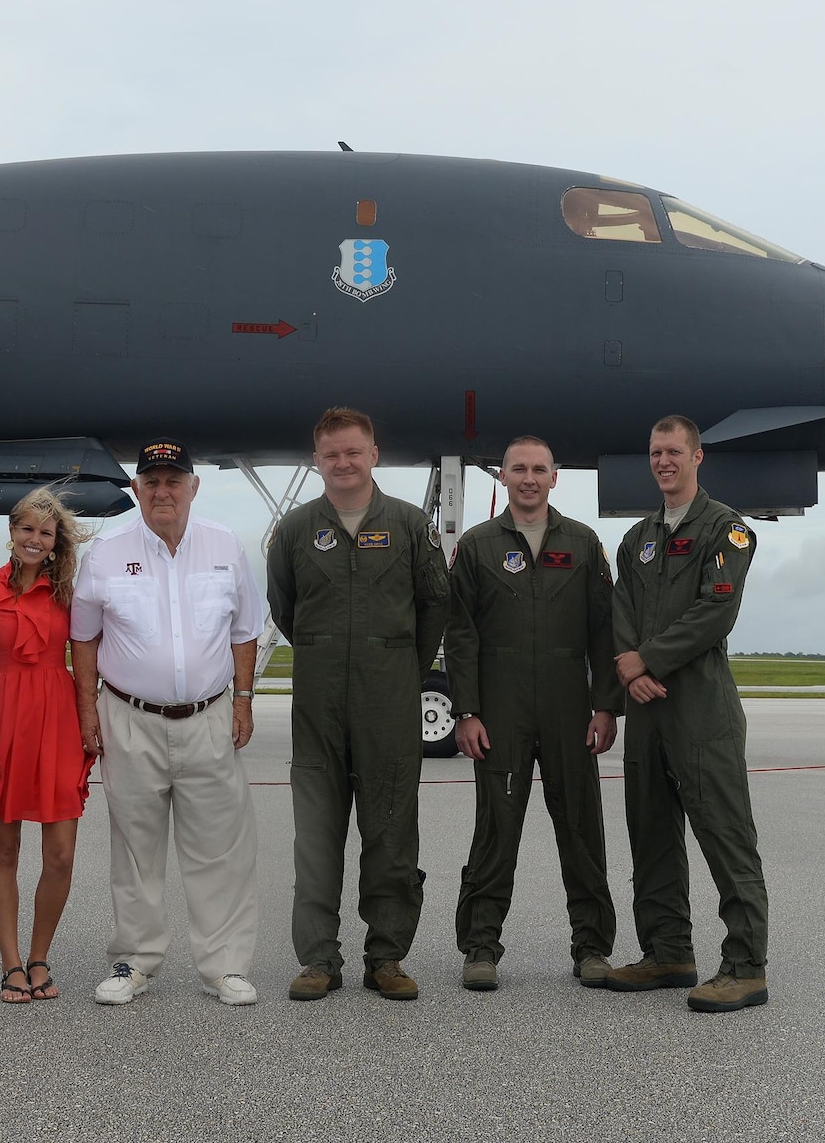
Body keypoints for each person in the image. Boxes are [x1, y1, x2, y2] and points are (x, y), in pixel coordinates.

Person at [70, 439, 265, 1007]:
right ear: (136, 489)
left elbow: (245, 629)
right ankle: (134, 961)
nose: (162, 491)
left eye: (173, 481)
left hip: (209, 717)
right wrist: (88, 710)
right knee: (135, 848)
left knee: (221, 850)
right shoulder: (105, 552)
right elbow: (84, 638)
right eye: (151, 481)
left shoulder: (225, 546)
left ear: (192, 488)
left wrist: (244, 700)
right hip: (129, 717)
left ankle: (225, 966)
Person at [266, 407, 449, 1001]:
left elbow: (434, 606)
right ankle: (319, 959)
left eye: (353, 452)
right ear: (316, 460)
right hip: (318, 708)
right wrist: (327, 655)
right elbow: (286, 609)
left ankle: (387, 956)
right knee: (316, 841)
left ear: (374, 454)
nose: (342, 463)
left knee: (391, 836)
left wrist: (396, 665)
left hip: (389, 705)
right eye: (330, 455)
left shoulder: (409, 523)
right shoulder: (295, 530)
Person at [445, 436, 623, 992]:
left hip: (571, 706)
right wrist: (466, 712)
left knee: (581, 827)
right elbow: (462, 635)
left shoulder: (585, 543)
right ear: (502, 477)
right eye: (518, 469)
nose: (528, 478)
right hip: (500, 706)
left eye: (538, 469)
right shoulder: (476, 546)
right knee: (496, 830)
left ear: (554, 478)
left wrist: (606, 705)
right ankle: (480, 947)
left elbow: (604, 630)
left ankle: (592, 947)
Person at [608, 415, 771, 1013]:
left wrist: (642, 661)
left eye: (674, 451)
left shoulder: (725, 530)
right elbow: (620, 607)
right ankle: (668, 951)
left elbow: (714, 614)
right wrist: (629, 668)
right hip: (646, 711)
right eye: (655, 452)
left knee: (725, 835)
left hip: (700, 707)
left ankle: (746, 964)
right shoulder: (637, 538)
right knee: (650, 834)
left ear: (697, 458)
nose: (663, 461)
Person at [0, 487, 93, 1004]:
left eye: (45, 532)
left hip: (56, 720)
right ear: (12, 533)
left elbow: (87, 658)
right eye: (26, 529)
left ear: (55, 541)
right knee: (4, 849)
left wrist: (90, 723)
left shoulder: (69, 592)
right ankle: (11, 963)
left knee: (61, 853)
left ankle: (41, 956)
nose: (34, 539)